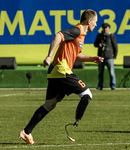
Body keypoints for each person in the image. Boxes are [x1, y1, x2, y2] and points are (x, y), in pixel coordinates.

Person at [18, 9, 104, 144]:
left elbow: (77, 55)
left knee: (50, 104)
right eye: (95, 22)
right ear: (89, 21)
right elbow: (58, 35)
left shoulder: (81, 35)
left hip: (55, 72)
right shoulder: (77, 30)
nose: (96, 25)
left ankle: (26, 132)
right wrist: (49, 56)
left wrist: (92, 58)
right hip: (61, 69)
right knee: (87, 94)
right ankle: (77, 121)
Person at [94, 23, 118, 90]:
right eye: (104, 28)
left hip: (109, 57)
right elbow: (95, 44)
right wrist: (99, 45)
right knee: (100, 73)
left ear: (108, 28)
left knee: (112, 73)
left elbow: (115, 47)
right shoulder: (99, 36)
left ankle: (113, 86)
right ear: (102, 28)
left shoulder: (111, 36)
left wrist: (115, 57)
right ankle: (100, 86)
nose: (105, 29)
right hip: (101, 57)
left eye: (106, 28)